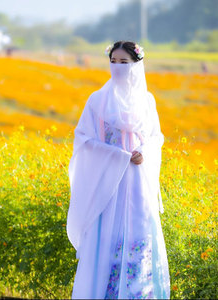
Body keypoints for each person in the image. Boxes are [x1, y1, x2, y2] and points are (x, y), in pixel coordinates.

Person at [66, 40, 170, 299]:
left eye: (124, 63)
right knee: (107, 240)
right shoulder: (98, 100)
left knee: (137, 239)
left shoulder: (146, 101)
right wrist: (118, 156)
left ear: (136, 65)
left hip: (137, 187)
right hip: (108, 186)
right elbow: (84, 139)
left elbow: (156, 137)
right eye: (113, 62)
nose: (117, 67)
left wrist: (143, 153)